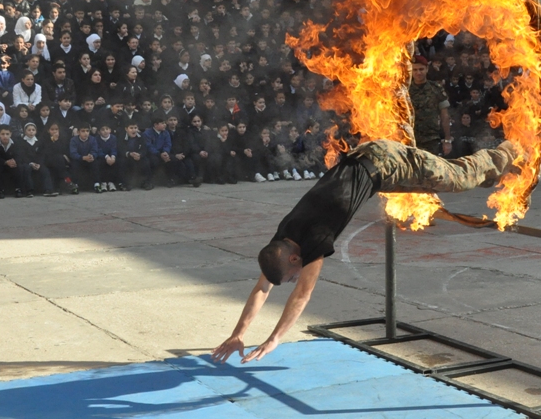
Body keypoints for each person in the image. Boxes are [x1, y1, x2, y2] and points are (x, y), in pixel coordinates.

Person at [210, 138, 519, 364]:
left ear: (294, 258)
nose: (294, 278)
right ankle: (496, 170)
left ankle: (512, 147)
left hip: (387, 163)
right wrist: (239, 333)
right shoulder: (284, 234)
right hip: (370, 163)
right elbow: (262, 287)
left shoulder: (315, 237)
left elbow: (302, 295)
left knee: (459, 178)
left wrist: (275, 339)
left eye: (293, 273)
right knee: (445, 184)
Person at [409, 55, 452, 155]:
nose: (418, 72)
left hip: (431, 139)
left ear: (427, 69)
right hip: (410, 139)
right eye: (415, 70)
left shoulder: (436, 89)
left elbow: (445, 117)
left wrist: (447, 140)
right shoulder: (406, 90)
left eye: (421, 69)